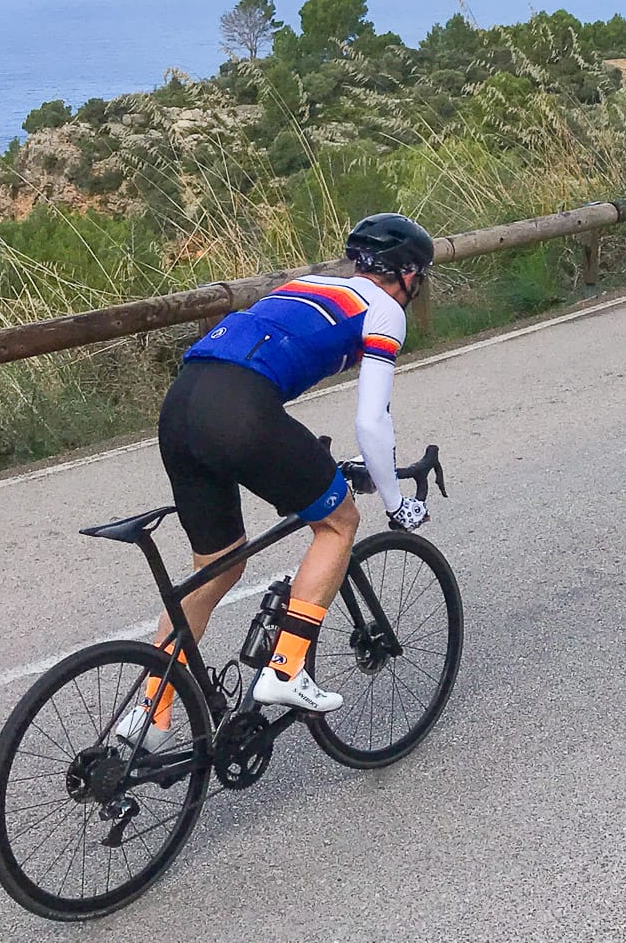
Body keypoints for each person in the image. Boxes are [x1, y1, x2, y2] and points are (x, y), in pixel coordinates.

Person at [115, 213, 436, 750]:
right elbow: (372, 421)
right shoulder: (382, 310)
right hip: (239, 411)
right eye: (419, 278)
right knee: (339, 522)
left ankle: (151, 711)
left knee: (219, 567)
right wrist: (398, 501)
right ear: (404, 275)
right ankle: (285, 669)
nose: (418, 289)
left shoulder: (306, 285)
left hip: (181, 406)